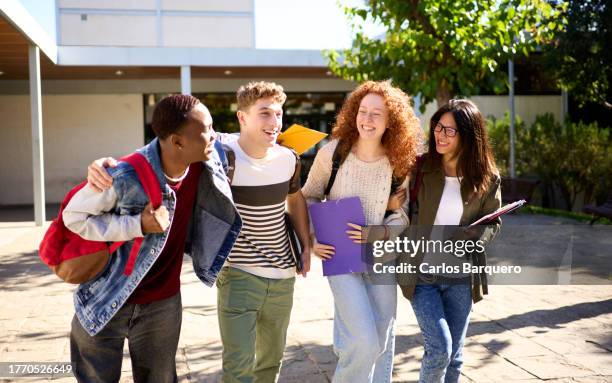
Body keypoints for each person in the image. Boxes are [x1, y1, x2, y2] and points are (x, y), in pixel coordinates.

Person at [86, 82, 312, 383]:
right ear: (242, 118)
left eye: (278, 114)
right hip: (238, 275)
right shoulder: (218, 154)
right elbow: (164, 150)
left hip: (283, 276)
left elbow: (295, 199)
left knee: (272, 362)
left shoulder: (289, 159)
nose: (274, 123)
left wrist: (306, 244)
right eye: (265, 114)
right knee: (239, 366)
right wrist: (107, 165)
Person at [63, 94, 242, 382]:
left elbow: (250, 136)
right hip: (106, 297)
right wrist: (136, 224)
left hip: (163, 304)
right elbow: (73, 216)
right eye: (207, 130)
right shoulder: (123, 176)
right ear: (177, 142)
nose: (214, 135)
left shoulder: (208, 157)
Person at [301, 80, 421, 382]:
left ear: (390, 121)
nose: (367, 120)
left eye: (376, 114)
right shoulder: (333, 154)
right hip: (341, 257)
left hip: (382, 259)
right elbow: (308, 196)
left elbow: (402, 216)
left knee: (380, 344)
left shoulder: (399, 162)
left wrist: (376, 231)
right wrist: (313, 238)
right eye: (363, 111)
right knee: (364, 342)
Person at [397, 99, 502, 383]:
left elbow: (492, 221)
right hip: (422, 274)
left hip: (461, 278)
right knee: (440, 349)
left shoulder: (487, 178)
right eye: (438, 127)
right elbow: (402, 211)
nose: (440, 135)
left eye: (449, 131)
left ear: (468, 135)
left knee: (454, 356)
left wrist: (472, 239)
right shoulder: (421, 168)